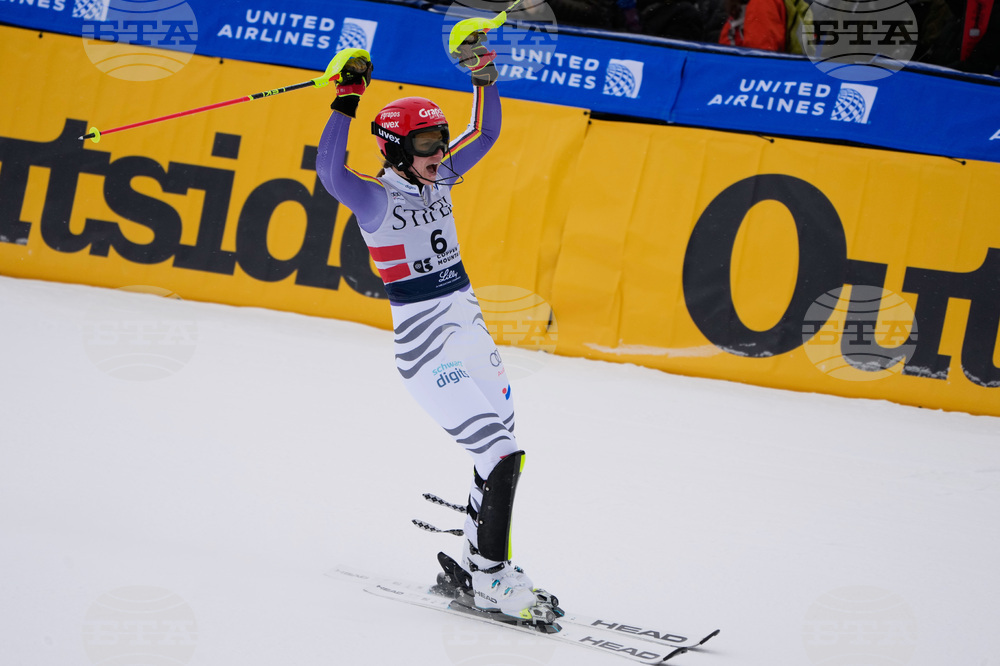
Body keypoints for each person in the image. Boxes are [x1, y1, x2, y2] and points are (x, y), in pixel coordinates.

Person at [315, 37, 560, 627]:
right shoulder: (374, 198)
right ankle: (496, 579)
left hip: (469, 328)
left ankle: (482, 563)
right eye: (426, 143)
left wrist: (485, 75)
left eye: (440, 139)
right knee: (500, 452)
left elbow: (489, 134)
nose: (438, 151)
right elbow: (328, 171)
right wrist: (347, 97)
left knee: (503, 456)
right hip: (427, 345)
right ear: (397, 148)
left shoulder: (441, 178)